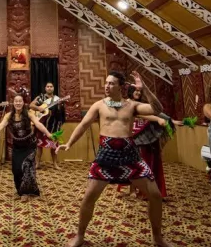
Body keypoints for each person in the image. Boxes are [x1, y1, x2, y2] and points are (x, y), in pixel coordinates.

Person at [57, 70, 172, 247]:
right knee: (89, 197)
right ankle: (79, 236)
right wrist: (69, 143)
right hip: (106, 155)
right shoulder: (99, 105)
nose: (107, 86)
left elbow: (157, 109)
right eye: (106, 83)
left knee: (155, 196)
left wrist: (144, 88)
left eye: (111, 83)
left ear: (121, 86)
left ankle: (157, 237)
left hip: (130, 156)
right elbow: (83, 124)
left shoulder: (132, 105)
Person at [0, 92, 53, 200]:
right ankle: (20, 191)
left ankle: (26, 192)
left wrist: (48, 134)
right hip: (17, 146)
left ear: (23, 103)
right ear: (13, 103)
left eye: (20, 101)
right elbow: (0, 126)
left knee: (27, 168)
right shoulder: (9, 115)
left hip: (29, 145)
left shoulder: (29, 114)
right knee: (16, 169)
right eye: (16, 101)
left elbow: (38, 124)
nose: (18, 103)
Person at [117, 85, 169, 200]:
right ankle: (132, 190)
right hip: (130, 135)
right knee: (131, 164)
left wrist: (171, 121)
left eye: (140, 91)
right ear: (130, 91)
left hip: (143, 137)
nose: (138, 93)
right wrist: (157, 119)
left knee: (141, 163)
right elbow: (137, 114)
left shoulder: (142, 104)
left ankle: (145, 190)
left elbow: (157, 112)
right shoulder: (126, 103)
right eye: (136, 91)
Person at [33, 82, 65, 170]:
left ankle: (55, 164)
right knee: (39, 145)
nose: (49, 88)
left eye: (51, 86)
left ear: (53, 88)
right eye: (48, 86)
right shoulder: (41, 97)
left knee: (54, 145)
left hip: (54, 125)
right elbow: (31, 105)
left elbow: (60, 112)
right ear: (45, 88)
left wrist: (60, 105)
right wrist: (39, 108)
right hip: (42, 125)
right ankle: (37, 163)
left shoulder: (57, 99)